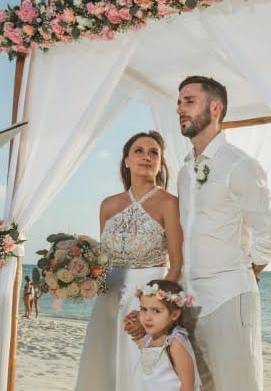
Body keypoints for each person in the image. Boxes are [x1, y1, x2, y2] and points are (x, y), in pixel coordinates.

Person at [177, 76, 271, 390]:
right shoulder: (184, 170)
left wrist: (244, 273)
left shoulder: (240, 165)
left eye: (189, 101)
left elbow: (269, 237)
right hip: (189, 299)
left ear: (215, 107)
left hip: (228, 298)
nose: (180, 108)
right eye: (179, 102)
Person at [75, 131, 183, 391]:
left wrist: (153, 309)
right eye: (139, 151)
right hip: (109, 296)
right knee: (105, 368)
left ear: (160, 163)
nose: (146, 156)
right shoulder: (108, 205)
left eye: (154, 152)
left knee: (143, 371)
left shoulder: (170, 203)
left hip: (148, 297)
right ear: (126, 161)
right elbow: (103, 260)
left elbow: (178, 264)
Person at [134, 279, 199, 391]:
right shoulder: (147, 339)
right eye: (144, 309)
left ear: (174, 314)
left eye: (156, 311)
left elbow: (188, 384)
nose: (147, 317)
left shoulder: (174, 343)